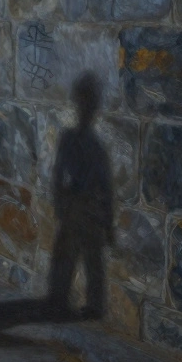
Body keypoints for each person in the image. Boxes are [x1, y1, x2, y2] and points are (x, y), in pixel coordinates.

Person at [46, 72, 114, 318]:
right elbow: (58, 173)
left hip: (88, 210)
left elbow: (105, 188)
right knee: (65, 256)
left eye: (88, 104)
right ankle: (59, 298)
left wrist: (108, 221)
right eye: (82, 103)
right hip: (76, 207)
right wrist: (60, 201)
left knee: (92, 260)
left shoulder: (95, 147)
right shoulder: (70, 140)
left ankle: (94, 305)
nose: (85, 109)